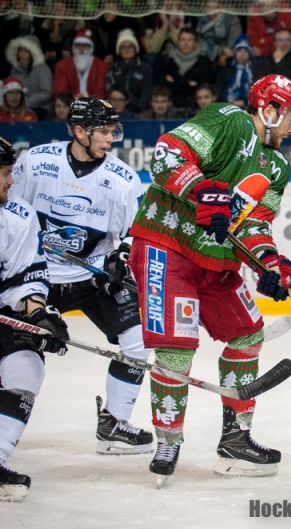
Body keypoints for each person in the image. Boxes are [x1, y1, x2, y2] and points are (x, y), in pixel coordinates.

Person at [126, 74, 291, 482]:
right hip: (166, 246)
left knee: (247, 336)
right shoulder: (228, 119)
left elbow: (253, 223)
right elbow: (166, 155)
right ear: (270, 109)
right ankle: (169, 439)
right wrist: (202, 191)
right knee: (176, 350)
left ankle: (235, 442)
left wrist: (269, 265)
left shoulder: (277, 166)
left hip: (216, 262)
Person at [10, 97, 154, 456]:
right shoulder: (36, 163)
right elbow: (10, 213)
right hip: (36, 279)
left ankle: (114, 424)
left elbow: (137, 231)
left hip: (92, 280)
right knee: (15, 352)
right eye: (103, 131)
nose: (110, 138)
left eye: (112, 130)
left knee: (139, 340)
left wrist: (123, 256)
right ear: (78, 131)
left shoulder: (121, 178)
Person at [0, 137, 70, 502]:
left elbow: (24, 276)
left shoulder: (18, 214)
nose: (11, 182)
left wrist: (38, 313)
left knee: (26, 366)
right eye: (5, 173)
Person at [159, 27, 216, 112]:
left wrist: (175, 83)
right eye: (183, 39)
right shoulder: (168, 62)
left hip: (196, 109)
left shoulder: (204, 63)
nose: (186, 43)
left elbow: (204, 89)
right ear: (178, 42)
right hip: (171, 110)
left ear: (196, 43)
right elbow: (163, 88)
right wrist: (188, 84)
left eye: (190, 40)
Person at [105, 29, 154, 114]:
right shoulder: (112, 69)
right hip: (115, 112)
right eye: (123, 47)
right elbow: (109, 93)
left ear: (136, 49)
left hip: (139, 113)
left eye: (130, 46)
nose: (127, 50)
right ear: (118, 50)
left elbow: (146, 95)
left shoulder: (145, 69)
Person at [5, 36, 53, 120]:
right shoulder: (14, 70)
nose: (22, 54)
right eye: (20, 51)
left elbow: (47, 93)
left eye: (26, 51)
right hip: (17, 108)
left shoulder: (42, 69)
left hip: (40, 109)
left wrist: (25, 103)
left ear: (33, 53)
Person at [53, 29, 108, 99]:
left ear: (91, 48)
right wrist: (73, 99)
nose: (81, 49)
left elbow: (101, 92)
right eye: (78, 45)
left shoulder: (102, 66)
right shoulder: (62, 66)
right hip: (69, 106)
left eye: (85, 45)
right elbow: (60, 92)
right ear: (73, 47)